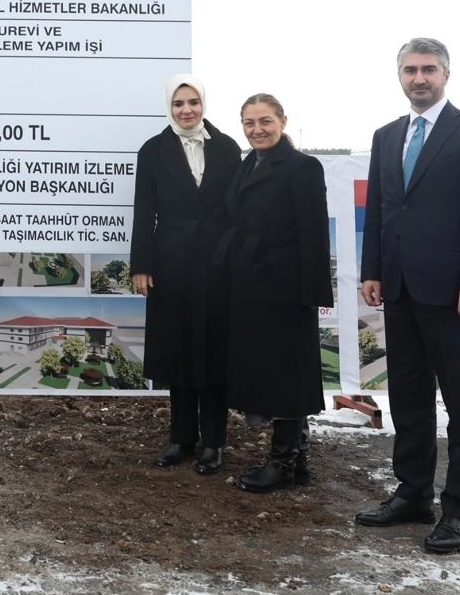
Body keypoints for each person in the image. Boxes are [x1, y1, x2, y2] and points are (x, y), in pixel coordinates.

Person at [356, 37, 460, 554]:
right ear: (399, 75)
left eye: (428, 69)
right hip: (399, 290)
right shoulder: (386, 136)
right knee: (408, 399)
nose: (418, 78)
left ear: (445, 74)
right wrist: (372, 270)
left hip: (454, 295)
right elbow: (381, 209)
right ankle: (412, 493)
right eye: (410, 70)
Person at [221, 93, 332, 493]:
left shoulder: (302, 167)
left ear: (283, 121)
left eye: (265, 121)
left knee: (288, 374)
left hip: (286, 286)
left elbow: (314, 233)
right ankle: (297, 459)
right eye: (249, 123)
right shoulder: (247, 164)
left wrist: (310, 294)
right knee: (272, 371)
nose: (257, 130)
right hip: (253, 282)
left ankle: (282, 462)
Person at [130, 75, 241, 474]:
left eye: (193, 101)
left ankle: (214, 442)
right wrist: (141, 265)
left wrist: (237, 259)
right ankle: (181, 438)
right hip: (171, 260)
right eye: (179, 103)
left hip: (218, 260)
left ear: (204, 103)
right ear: (169, 107)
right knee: (178, 349)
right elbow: (144, 210)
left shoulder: (228, 148)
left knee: (213, 350)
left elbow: (237, 210)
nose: (187, 110)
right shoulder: (152, 150)